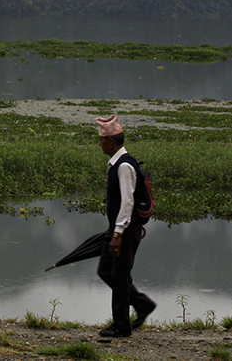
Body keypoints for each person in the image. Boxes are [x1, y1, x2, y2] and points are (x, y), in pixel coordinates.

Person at [95, 114, 155, 337]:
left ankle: (121, 326)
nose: (99, 144)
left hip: (125, 230)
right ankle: (142, 304)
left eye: (101, 140)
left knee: (119, 276)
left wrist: (118, 234)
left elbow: (127, 202)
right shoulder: (116, 164)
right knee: (106, 271)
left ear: (111, 141)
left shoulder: (124, 166)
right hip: (119, 229)